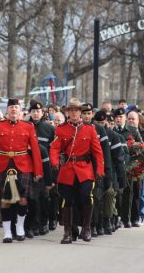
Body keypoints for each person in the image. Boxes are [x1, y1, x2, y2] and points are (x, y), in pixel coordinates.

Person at [0, 98, 43, 243]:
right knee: (5, 200)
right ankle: (7, 232)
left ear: (20, 110)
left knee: (22, 198)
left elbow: (35, 149)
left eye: (16, 107)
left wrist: (38, 171)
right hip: (3, 164)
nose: (14, 110)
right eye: (11, 108)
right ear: (7, 110)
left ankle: (20, 227)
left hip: (23, 165)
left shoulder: (28, 127)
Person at [49, 98, 104, 244]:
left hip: (84, 169)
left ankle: (86, 228)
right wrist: (54, 162)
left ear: (80, 112)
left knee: (86, 196)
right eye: (71, 110)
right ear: (67, 112)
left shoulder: (89, 129)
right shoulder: (61, 129)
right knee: (67, 200)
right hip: (67, 169)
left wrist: (100, 169)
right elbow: (54, 148)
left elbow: (98, 152)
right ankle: (68, 232)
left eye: (76, 110)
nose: (73, 113)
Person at [81, 103, 113, 237]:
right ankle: (84, 224)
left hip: (96, 169)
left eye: (89, 113)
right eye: (84, 113)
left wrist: (107, 173)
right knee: (83, 198)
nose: (87, 116)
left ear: (92, 115)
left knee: (96, 197)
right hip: (81, 168)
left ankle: (95, 225)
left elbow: (106, 154)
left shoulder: (99, 129)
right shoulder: (77, 128)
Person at [27, 100, 54, 237]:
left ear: (42, 113)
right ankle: (34, 224)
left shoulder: (48, 128)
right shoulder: (26, 126)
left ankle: (44, 222)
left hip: (45, 167)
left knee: (44, 198)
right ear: (29, 113)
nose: (36, 114)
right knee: (33, 198)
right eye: (33, 111)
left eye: (38, 111)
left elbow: (54, 149)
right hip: (28, 167)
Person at [112, 108, 142, 228]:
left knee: (129, 193)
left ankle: (127, 218)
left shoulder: (133, 131)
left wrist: (134, 159)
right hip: (115, 166)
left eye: (121, 117)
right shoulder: (112, 131)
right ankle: (117, 217)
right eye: (117, 117)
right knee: (117, 193)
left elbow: (141, 147)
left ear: (125, 118)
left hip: (129, 166)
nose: (119, 119)